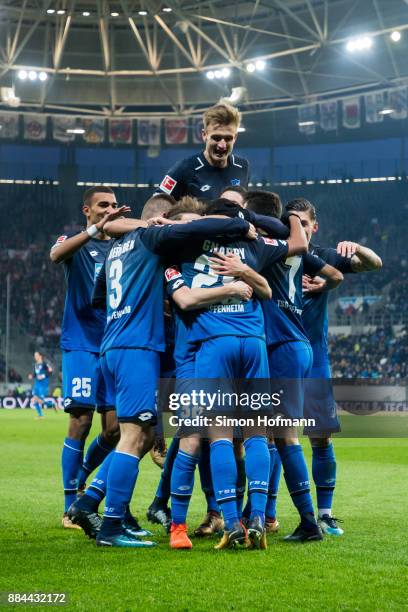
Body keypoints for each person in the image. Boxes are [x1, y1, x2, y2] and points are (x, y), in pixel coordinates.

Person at [69, 205, 255, 548]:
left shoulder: (114, 250)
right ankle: (111, 527)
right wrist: (241, 225)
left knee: (139, 435)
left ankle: (94, 506)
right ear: (161, 220)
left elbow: (99, 299)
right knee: (135, 437)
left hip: (111, 344)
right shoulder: (153, 237)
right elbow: (191, 232)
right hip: (137, 347)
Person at [285, 198, 382, 536]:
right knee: (273, 438)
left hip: (314, 357)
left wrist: (359, 247)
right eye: (293, 222)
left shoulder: (325, 257)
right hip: (279, 356)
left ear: (315, 226)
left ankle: (324, 515)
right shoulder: (276, 253)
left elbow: (373, 264)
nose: (300, 227)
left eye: (305, 222)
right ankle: (267, 515)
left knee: (320, 438)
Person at [50, 186, 129, 529]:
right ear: (87, 210)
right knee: (81, 420)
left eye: (113, 205)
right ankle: (70, 507)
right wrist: (95, 230)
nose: (109, 209)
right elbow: (55, 255)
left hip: (112, 344)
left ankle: (83, 473)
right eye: (102, 205)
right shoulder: (77, 242)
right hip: (81, 343)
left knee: (113, 430)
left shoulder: (123, 247)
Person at [157, 103, 249, 201]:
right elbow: (157, 203)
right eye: (216, 138)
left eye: (228, 138)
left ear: (235, 137)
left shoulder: (242, 166)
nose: (222, 145)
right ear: (204, 135)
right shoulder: (184, 168)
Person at [28, 351, 52, 419]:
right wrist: (32, 376)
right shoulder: (36, 364)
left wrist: (43, 376)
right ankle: (40, 415)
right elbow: (35, 374)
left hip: (43, 384)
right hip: (37, 383)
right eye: (34, 355)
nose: (35, 357)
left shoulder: (45, 363)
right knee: (34, 399)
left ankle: (51, 405)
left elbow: (50, 371)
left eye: (36, 355)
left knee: (40, 400)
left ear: (40, 356)